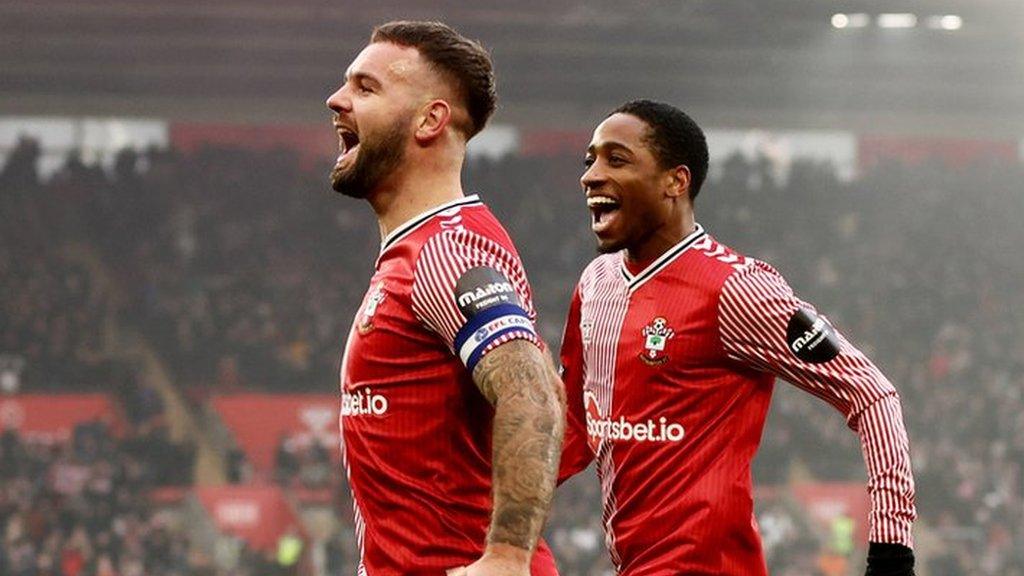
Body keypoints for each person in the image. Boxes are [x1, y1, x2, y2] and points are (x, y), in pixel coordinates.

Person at [557, 100, 916, 575]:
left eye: (616, 160)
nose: (591, 175)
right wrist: (486, 498)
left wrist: (891, 551)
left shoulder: (738, 289)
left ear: (675, 182)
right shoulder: (596, 283)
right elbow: (576, 426)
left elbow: (872, 395)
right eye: (590, 161)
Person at [326, 21, 565, 576]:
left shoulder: (448, 248)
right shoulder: (418, 250)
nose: (336, 100)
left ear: (430, 120)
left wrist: (507, 558)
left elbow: (534, 395)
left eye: (366, 88)